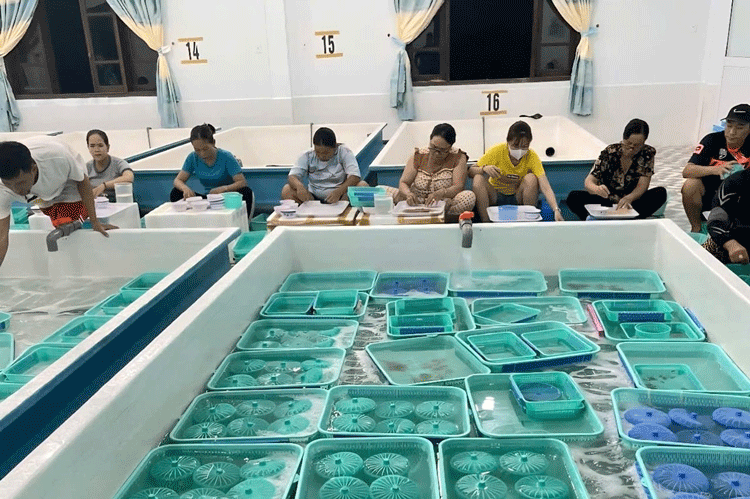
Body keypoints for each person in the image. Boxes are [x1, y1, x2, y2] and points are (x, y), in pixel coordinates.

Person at [0, 138, 114, 267]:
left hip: (66, 179)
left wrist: (95, 222)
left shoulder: (58, 158)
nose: (16, 190)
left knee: (70, 216)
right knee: (57, 217)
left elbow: (83, 182)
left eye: (20, 183)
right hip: (39, 194)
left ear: (33, 169)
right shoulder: (3, 186)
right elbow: (1, 235)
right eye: (9, 184)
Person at [566, 119, 667, 220]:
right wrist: (597, 189)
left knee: (660, 193)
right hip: (606, 201)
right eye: (628, 143)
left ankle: (628, 218)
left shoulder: (647, 153)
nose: (631, 149)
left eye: (637, 146)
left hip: (631, 203)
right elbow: (589, 181)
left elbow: (643, 184)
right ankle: (597, 219)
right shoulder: (610, 152)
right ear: (623, 139)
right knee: (574, 197)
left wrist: (629, 198)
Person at [469, 120, 564, 222]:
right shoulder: (496, 151)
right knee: (478, 179)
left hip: (517, 197)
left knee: (531, 178)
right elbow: (470, 171)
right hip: (495, 196)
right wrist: (484, 168)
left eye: (524, 147)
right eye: (515, 146)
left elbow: (545, 186)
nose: (519, 150)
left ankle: (529, 221)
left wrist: (556, 209)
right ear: (508, 141)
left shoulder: (532, 156)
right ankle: (486, 223)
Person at [382, 123, 475, 219]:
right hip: (415, 202)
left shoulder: (458, 157)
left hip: (443, 204)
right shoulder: (419, 155)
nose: (436, 153)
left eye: (442, 150)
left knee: (468, 197)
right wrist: (408, 194)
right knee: (380, 190)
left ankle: (442, 220)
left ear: (450, 147)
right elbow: (404, 182)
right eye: (433, 147)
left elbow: (458, 186)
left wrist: (442, 193)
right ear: (430, 140)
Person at [682, 104, 750, 232]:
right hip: (711, 194)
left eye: (740, 127)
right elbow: (687, 171)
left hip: (740, 199)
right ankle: (697, 228)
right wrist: (716, 169)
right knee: (690, 185)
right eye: (729, 126)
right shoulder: (712, 140)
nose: (732, 132)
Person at [171, 124, 254, 214]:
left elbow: (242, 182)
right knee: (176, 192)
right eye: (197, 150)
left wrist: (224, 189)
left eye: (205, 149)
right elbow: (178, 180)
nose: (202, 154)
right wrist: (185, 189)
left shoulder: (226, 156)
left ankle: (242, 220)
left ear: (213, 143)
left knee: (246, 192)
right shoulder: (192, 157)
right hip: (208, 198)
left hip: (226, 198)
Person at [282, 127, 367, 204]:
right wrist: (299, 186)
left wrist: (339, 191)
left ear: (335, 147)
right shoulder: (307, 155)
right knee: (287, 190)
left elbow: (355, 176)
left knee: (362, 186)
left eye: (326, 153)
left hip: (340, 197)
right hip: (312, 199)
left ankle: (344, 211)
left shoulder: (344, 152)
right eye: (318, 152)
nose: (321, 156)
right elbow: (292, 176)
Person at [701, 166, 750, 264]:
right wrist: (730, 243)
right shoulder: (736, 181)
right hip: (732, 240)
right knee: (699, 257)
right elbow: (716, 219)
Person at [85, 129, 134, 202]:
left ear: (108, 147)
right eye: (92, 146)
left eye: (100, 145)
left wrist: (104, 186)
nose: (96, 150)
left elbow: (129, 177)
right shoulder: (87, 167)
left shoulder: (118, 163)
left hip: (118, 203)